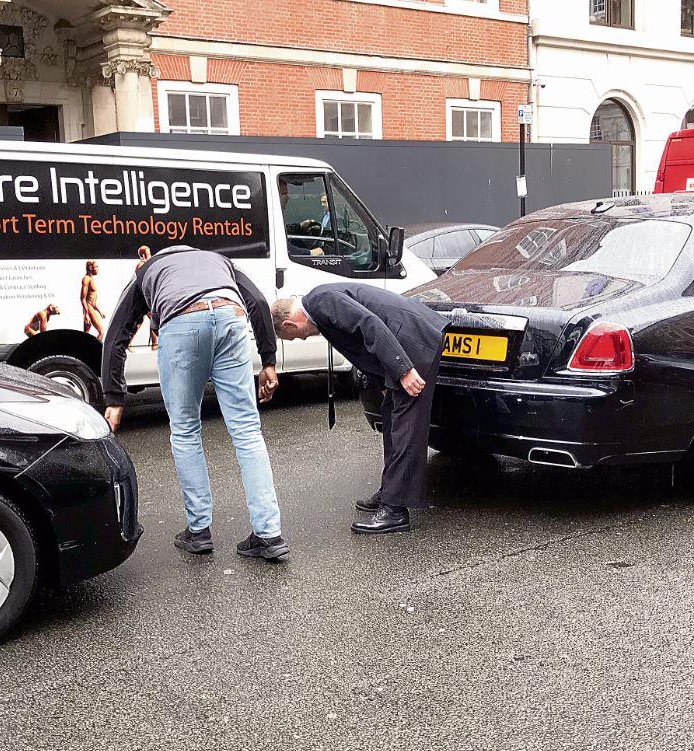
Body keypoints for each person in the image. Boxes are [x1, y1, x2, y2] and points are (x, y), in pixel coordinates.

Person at [101, 244, 289, 560]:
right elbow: (256, 301)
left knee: (186, 430)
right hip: (231, 316)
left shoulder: (146, 271)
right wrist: (268, 361)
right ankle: (268, 533)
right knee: (246, 430)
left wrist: (114, 398)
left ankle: (198, 531)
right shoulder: (218, 259)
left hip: (182, 322)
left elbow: (116, 335)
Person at [271, 283, 448, 534]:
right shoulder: (318, 307)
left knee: (406, 426)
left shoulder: (321, 301)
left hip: (413, 339)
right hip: (402, 341)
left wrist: (404, 370)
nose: (303, 338)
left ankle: (396, 509)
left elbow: (369, 325)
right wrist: (384, 380)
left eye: (297, 336)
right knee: (392, 418)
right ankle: (391, 491)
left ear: (289, 324)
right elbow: (359, 347)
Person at [278, 178, 325, 257]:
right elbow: (282, 247)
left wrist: (300, 226)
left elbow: (283, 230)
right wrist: (310, 253)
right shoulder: (266, 217)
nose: (287, 197)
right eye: (284, 194)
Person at [132, 245, 158, 350]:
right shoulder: (141, 265)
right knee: (152, 319)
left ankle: (154, 344)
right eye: (148, 251)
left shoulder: (148, 263)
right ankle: (154, 345)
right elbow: (140, 281)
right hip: (143, 297)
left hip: (148, 296)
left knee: (144, 320)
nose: (150, 252)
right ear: (143, 254)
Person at [81, 260, 106, 342]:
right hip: (88, 308)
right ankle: (94, 351)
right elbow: (83, 298)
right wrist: (86, 314)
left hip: (90, 307)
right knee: (101, 332)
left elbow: (92, 301)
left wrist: (100, 311)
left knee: (86, 333)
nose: (98, 269)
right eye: (96, 267)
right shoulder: (86, 279)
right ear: (90, 267)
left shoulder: (91, 279)